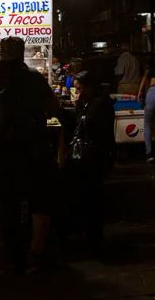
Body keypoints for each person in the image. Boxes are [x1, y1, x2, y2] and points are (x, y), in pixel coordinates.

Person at [0, 36, 59, 272]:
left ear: (1, 54)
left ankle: (12, 255)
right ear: (21, 54)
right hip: (33, 150)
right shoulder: (34, 78)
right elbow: (53, 109)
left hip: (1, 151)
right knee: (39, 199)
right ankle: (37, 251)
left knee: (7, 202)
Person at [64, 70, 115, 254]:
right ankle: (89, 236)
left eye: (79, 88)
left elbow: (90, 127)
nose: (76, 92)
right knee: (87, 197)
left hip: (96, 157)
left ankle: (93, 238)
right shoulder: (91, 103)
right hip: (92, 156)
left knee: (91, 198)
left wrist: (78, 108)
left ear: (90, 87)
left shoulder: (100, 104)